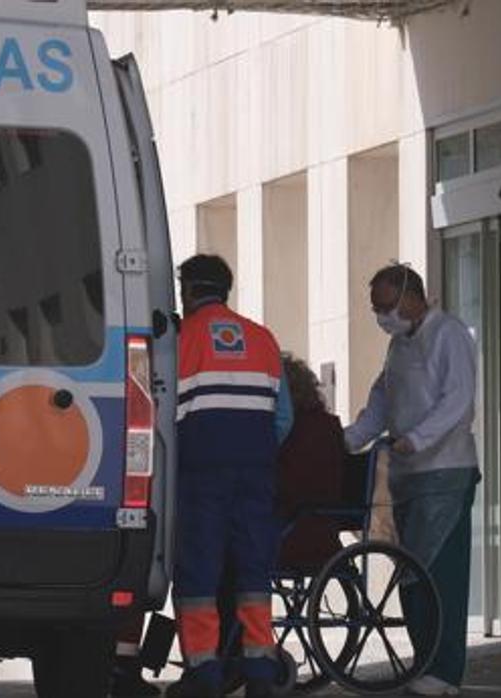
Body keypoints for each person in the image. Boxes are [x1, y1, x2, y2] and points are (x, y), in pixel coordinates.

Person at [345, 264, 479, 697]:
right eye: (377, 309)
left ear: (409, 295)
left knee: (441, 574)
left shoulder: (449, 335)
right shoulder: (398, 346)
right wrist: (351, 439)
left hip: (444, 472)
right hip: (407, 476)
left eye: (386, 307)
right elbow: (383, 399)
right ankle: (425, 662)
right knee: (411, 573)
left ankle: (444, 671)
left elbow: (457, 400)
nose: (383, 316)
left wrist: (417, 439)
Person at [167, 254, 293, 698]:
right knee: (254, 573)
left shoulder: (181, 342)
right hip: (255, 476)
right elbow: (283, 418)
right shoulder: (263, 339)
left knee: (199, 575)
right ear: (225, 288)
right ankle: (260, 672)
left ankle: (204, 674)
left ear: (187, 291)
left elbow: (167, 418)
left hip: (201, 476)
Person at [274, 355, 345, 573]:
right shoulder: (331, 426)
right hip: (327, 534)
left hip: (289, 534)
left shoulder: (286, 430)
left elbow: (285, 486)